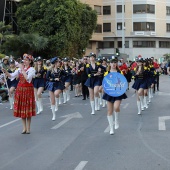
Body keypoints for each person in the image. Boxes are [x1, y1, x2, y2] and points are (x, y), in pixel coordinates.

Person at [2, 54, 36, 134]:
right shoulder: (19, 70)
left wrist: (22, 69)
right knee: (22, 110)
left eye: (27, 60)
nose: (25, 62)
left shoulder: (31, 69)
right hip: (20, 90)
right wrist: (5, 72)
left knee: (28, 110)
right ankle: (24, 128)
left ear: (30, 61)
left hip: (28, 91)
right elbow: (11, 76)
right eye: (24, 60)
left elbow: (28, 78)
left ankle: (28, 128)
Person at [103, 56, 127, 135]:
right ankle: (111, 128)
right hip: (109, 93)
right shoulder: (107, 73)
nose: (113, 64)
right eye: (112, 62)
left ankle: (116, 120)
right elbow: (104, 83)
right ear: (110, 63)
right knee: (109, 111)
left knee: (116, 107)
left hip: (118, 92)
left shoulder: (120, 72)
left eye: (115, 62)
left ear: (117, 63)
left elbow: (123, 82)